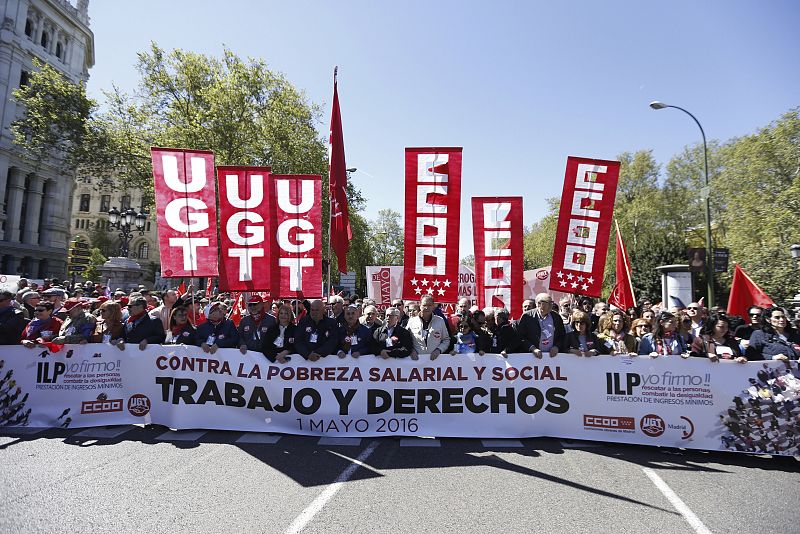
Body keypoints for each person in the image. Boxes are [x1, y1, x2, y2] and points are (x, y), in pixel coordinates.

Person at [517, 293, 566, 358]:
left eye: (552, 302)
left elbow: (562, 336)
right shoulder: (527, 316)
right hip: (532, 357)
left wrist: (556, 347)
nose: (552, 305)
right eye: (549, 302)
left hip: (552, 357)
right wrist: (533, 348)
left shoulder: (556, 317)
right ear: (539, 304)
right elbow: (520, 337)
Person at [406, 295, 450, 360]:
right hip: (416, 361)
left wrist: (439, 350)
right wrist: (411, 350)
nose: (427, 308)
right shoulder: (412, 321)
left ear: (433, 306)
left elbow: (446, 340)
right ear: (420, 305)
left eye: (429, 305)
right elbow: (405, 340)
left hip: (435, 361)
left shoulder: (440, 320)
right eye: (424, 305)